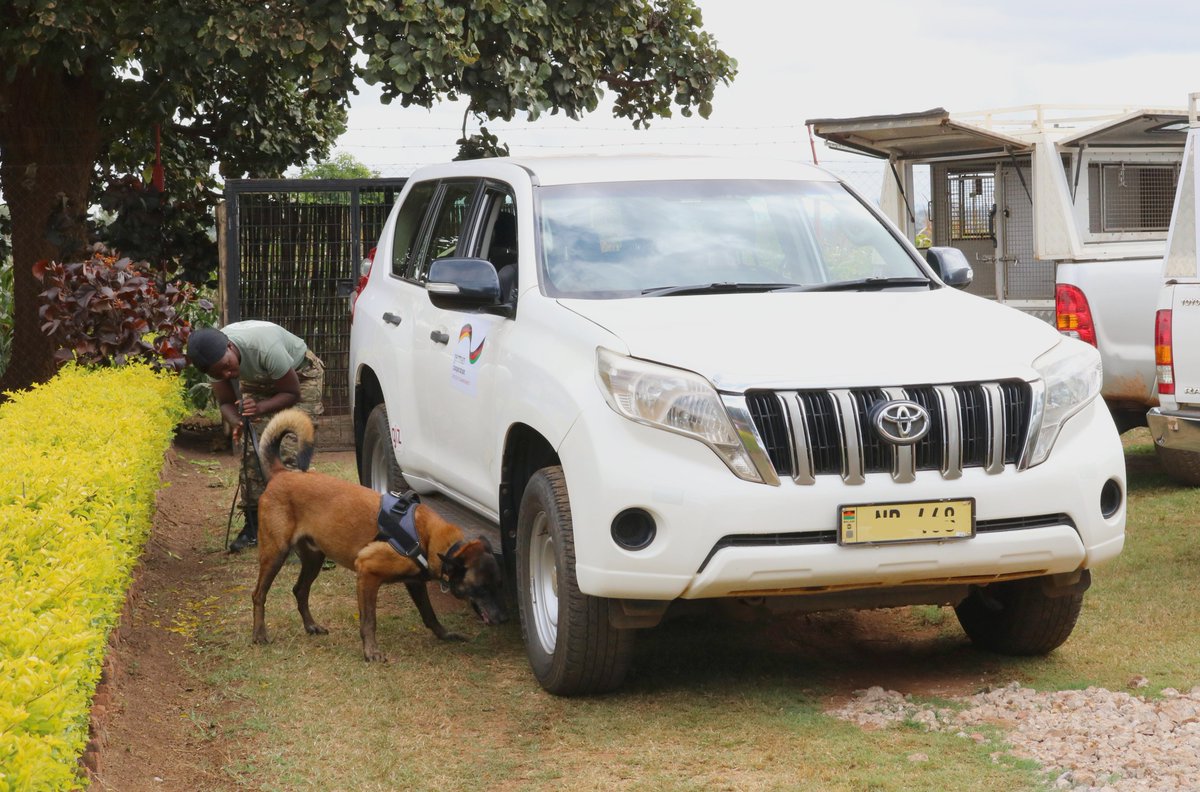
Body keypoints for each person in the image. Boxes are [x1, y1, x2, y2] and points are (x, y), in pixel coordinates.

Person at [187, 321, 325, 552]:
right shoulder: (215, 363)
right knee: (252, 452)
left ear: (230, 346)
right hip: (258, 379)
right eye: (219, 373)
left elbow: (291, 393)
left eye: (227, 366)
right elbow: (225, 403)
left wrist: (259, 408)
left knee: (290, 451)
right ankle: (254, 526)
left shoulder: (264, 346)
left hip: (300, 375)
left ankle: (299, 531)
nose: (227, 374)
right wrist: (238, 421)